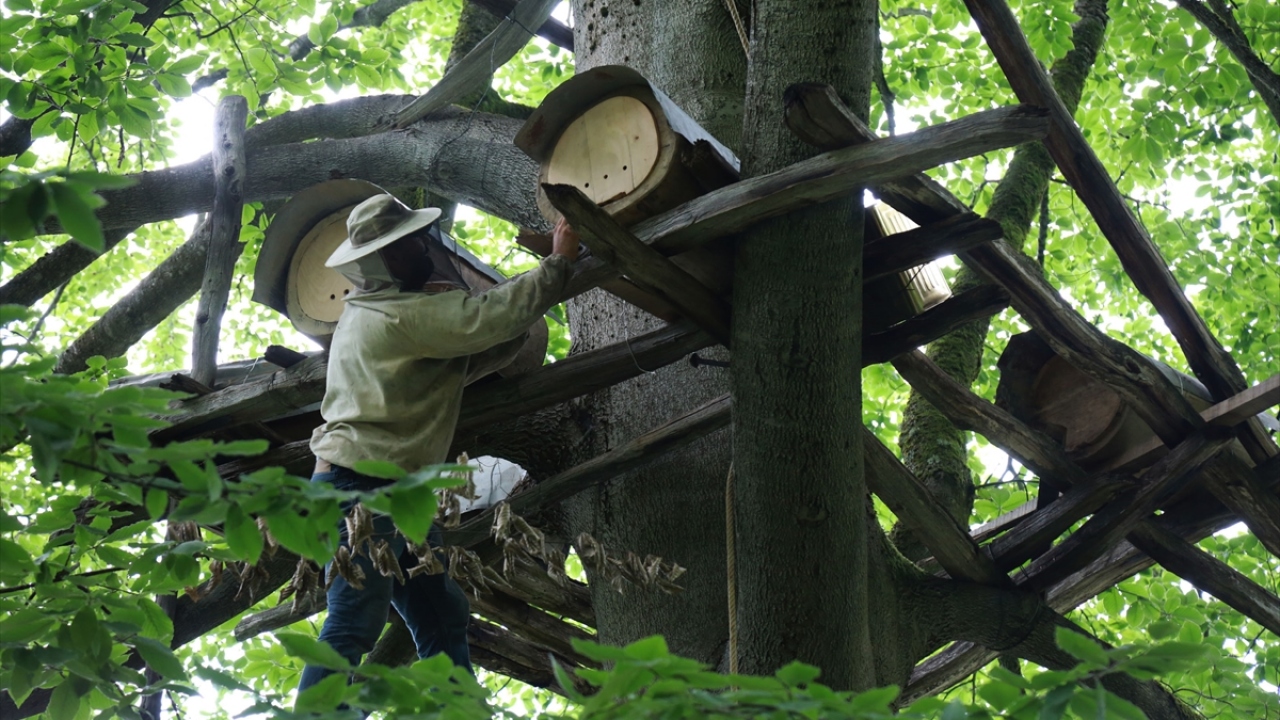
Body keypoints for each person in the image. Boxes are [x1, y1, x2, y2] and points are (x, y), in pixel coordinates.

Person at [297, 193, 579, 695]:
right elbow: (487, 318)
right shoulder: (397, 318)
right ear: (384, 261)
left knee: (441, 614)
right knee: (355, 617)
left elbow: (475, 352)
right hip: (358, 487)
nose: (424, 248)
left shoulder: (378, 310)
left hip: (392, 492)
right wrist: (558, 263)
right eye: (408, 245)